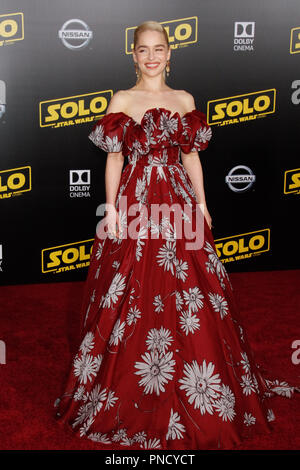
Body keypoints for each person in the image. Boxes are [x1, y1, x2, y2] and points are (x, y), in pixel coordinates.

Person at [54, 20, 299, 450]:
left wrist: (202, 204)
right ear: (133, 55)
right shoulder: (123, 99)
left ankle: (202, 381)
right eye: (143, 49)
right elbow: (114, 160)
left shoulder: (184, 99)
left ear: (170, 53)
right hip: (136, 200)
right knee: (131, 286)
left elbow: (190, 157)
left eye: (159, 48)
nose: (152, 56)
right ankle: (130, 384)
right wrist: (111, 210)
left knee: (192, 288)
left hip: (179, 200)